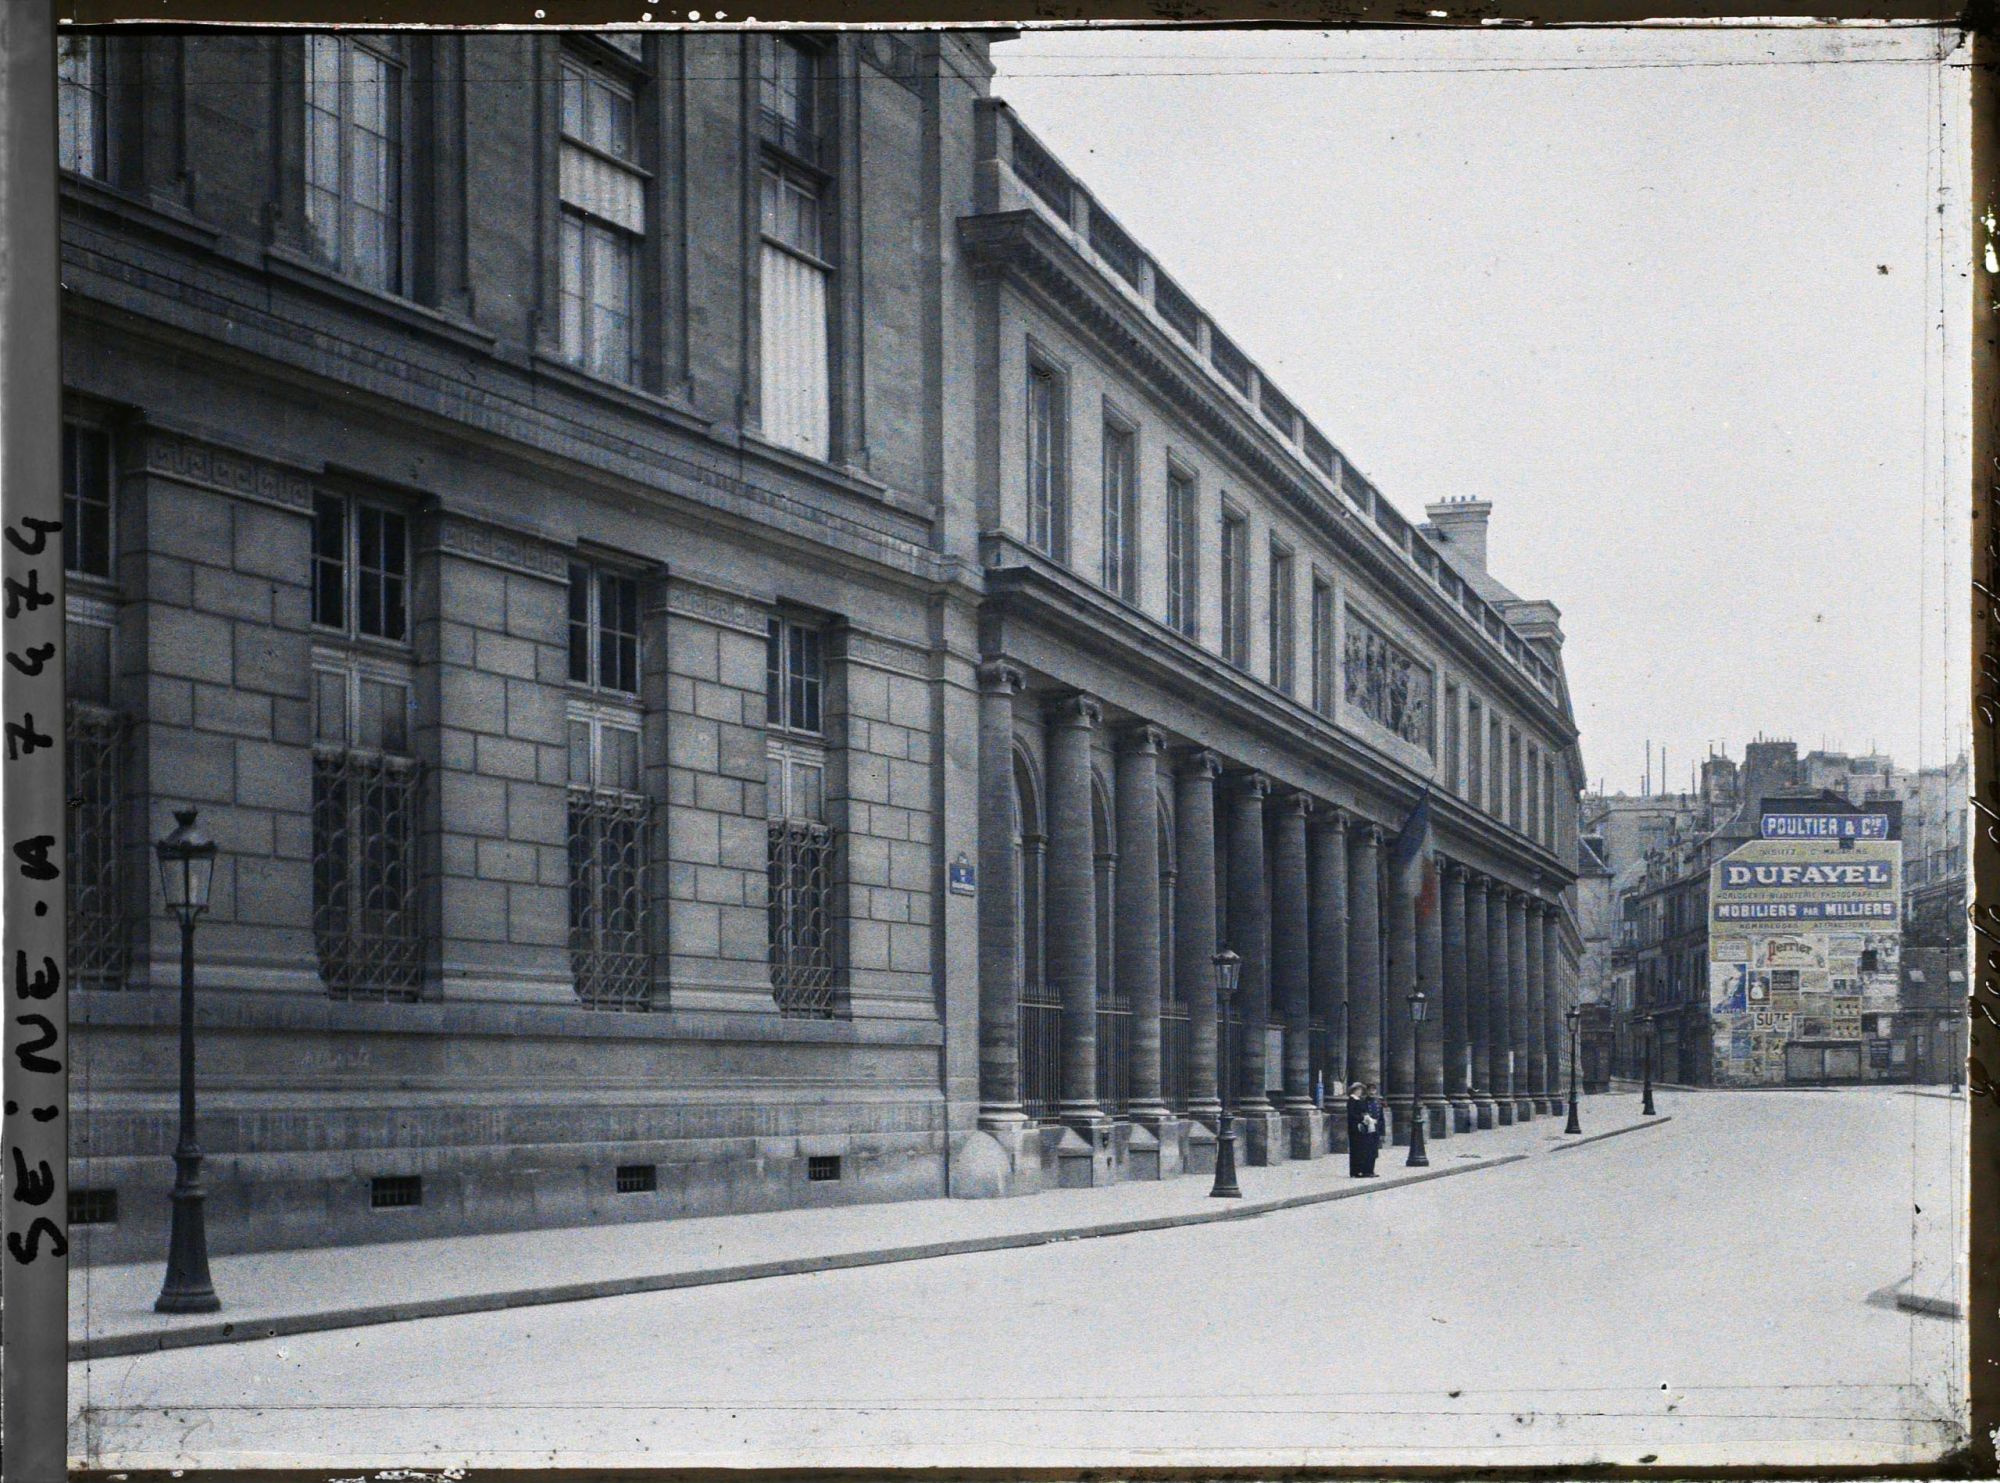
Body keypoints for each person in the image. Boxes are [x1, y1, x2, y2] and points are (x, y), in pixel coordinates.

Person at [1347, 1081, 1384, 1177]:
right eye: (1370, 1090)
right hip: (1365, 1129)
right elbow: (1356, 1114)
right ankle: (1365, 1171)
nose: (1372, 1092)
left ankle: (1370, 1170)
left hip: (1375, 1128)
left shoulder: (1378, 1103)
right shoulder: (1361, 1101)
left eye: (1374, 1090)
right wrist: (1365, 1119)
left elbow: (1381, 1118)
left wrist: (1382, 1131)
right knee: (1366, 1151)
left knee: (1373, 1152)